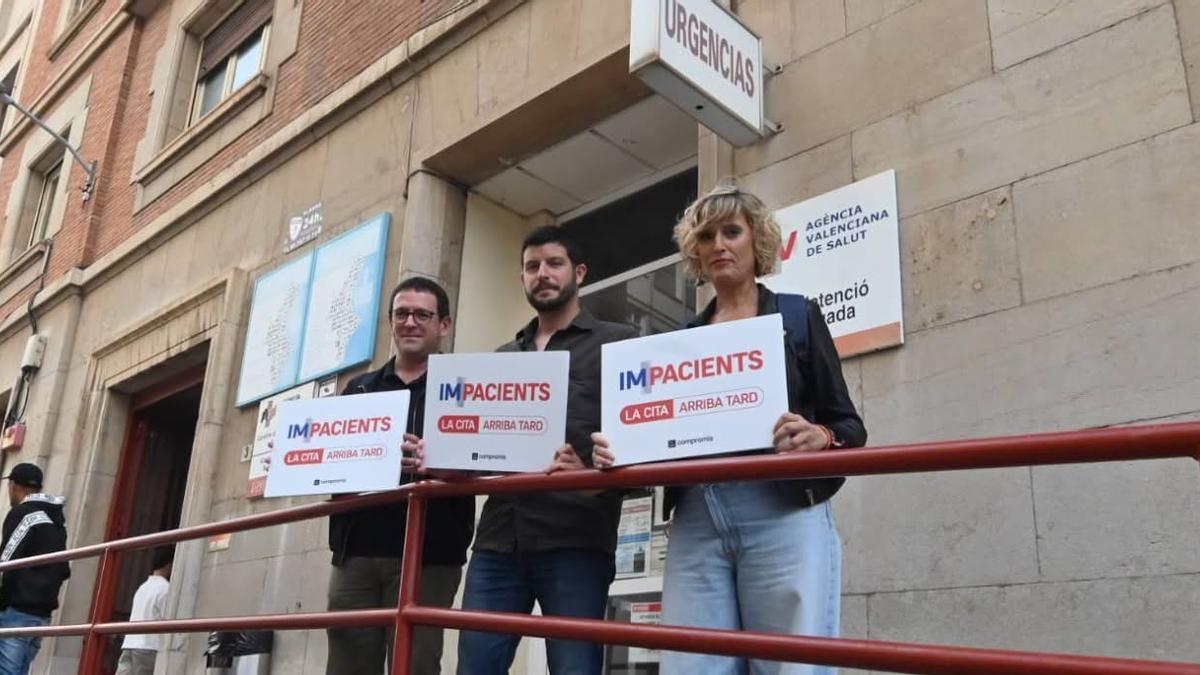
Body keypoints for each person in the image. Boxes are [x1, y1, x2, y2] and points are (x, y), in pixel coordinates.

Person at [594, 186, 867, 675]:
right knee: (693, 665)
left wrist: (821, 437)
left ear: (756, 241)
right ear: (695, 252)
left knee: (792, 665)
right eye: (706, 236)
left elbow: (848, 424)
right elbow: (661, 446)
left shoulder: (796, 316)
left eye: (731, 232)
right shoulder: (679, 343)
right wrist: (622, 450)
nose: (718, 244)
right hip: (697, 516)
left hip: (781, 512)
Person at [407, 226, 637, 675]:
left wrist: (591, 477)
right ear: (522, 278)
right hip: (497, 541)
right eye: (532, 267)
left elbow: (637, 443)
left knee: (574, 668)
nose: (542, 274)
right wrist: (441, 460)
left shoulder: (618, 343)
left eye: (554, 263)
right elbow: (478, 456)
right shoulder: (501, 356)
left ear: (580, 273)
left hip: (576, 540)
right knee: (474, 667)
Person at [325, 276, 476, 675]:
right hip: (355, 552)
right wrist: (300, 462)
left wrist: (444, 460)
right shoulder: (359, 389)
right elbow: (330, 461)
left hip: (430, 554)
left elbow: (488, 458)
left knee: (417, 664)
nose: (410, 322)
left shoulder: (467, 387)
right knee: (347, 664)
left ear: (444, 324)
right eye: (402, 314)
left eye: (422, 315)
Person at [0, 463, 70, 675]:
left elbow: (5, 561)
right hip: (42, 614)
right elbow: (64, 569)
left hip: (17, 611)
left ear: (13, 485)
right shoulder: (55, 521)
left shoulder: (23, 514)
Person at [117, 547, 173, 675]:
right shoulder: (165, 588)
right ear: (169, 564)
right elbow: (167, 619)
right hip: (148, 645)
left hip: (129, 643)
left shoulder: (142, 587)